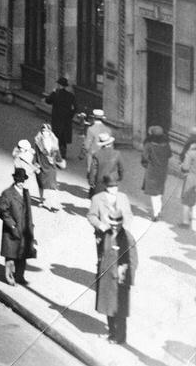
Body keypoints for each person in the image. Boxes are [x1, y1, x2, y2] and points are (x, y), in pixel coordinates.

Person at [96, 210, 137, 345]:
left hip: (119, 281)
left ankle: (120, 337)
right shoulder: (107, 234)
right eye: (112, 223)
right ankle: (112, 333)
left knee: (119, 311)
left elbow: (133, 260)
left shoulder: (127, 237)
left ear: (121, 223)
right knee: (108, 307)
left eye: (117, 224)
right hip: (106, 278)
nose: (114, 226)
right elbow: (102, 252)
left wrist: (125, 278)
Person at [0, 166, 36, 285]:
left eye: (23, 181)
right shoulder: (7, 193)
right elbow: (3, 211)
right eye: (19, 181)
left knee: (23, 255)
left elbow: (28, 211)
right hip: (12, 229)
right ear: (15, 180)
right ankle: (9, 276)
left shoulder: (26, 192)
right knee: (11, 255)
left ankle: (20, 276)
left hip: (25, 228)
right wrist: (12, 225)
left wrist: (31, 226)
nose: (21, 183)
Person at [88, 173, 135, 262]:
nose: (113, 189)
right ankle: (101, 274)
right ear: (106, 187)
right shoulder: (97, 198)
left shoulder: (123, 197)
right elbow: (91, 216)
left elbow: (129, 214)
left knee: (119, 260)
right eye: (110, 187)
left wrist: (125, 227)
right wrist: (100, 225)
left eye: (115, 186)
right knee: (103, 259)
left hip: (120, 234)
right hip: (103, 235)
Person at [140, 125, 171, 220]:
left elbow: (144, 157)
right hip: (163, 170)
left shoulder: (149, 144)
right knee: (160, 189)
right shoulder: (166, 144)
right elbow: (169, 155)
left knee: (153, 192)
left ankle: (156, 213)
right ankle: (159, 209)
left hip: (152, 170)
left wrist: (146, 164)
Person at [44, 77, 77, 161]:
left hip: (57, 118)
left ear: (59, 85)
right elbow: (75, 108)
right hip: (66, 119)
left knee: (56, 135)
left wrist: (53, 92)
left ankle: (56, 153)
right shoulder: (70, 95)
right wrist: (70, 115)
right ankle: (63, 152)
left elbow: (48, 100)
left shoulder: (56, 94)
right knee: (64, 136)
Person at [33, 122, 61, 210]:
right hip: (42, 163)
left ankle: (54, 204)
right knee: (41, 183)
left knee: (52, 185)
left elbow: (57, 152)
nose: (44, 132)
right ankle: (41, 200)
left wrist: (59, 160)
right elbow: (36, 153)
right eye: (43, 130)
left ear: (50, 131)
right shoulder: (38, 141)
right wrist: (36, 164)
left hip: (51, 166)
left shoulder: (54, 140)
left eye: (46, 130)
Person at [88, 133, 122, 198]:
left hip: (100, 181)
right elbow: (121, 168)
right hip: (112, 181)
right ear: (110, 143)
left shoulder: (97, 154)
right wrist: (120, 177)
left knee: (100, 200)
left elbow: (93, 170)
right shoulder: (117, 153)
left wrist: (91, 181)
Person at [180, 137, 196, 230]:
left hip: (192, 179)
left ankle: (186, 222)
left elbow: (185, 167)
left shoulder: (191, 153)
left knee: (187, 201)